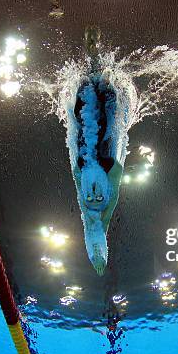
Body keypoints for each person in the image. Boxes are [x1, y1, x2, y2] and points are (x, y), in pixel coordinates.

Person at [71, 27, 124, 275]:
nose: (92, 196)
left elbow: (90, 229)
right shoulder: (105, 205)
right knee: (103, 109)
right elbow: (97, 228)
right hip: (102, 162)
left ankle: (92, 58)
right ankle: (96, 62)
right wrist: (97, 255)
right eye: (96, 198)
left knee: (85, 111)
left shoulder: (85, 200)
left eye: (89, 198)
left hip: (89, 160)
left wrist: (95, 255)